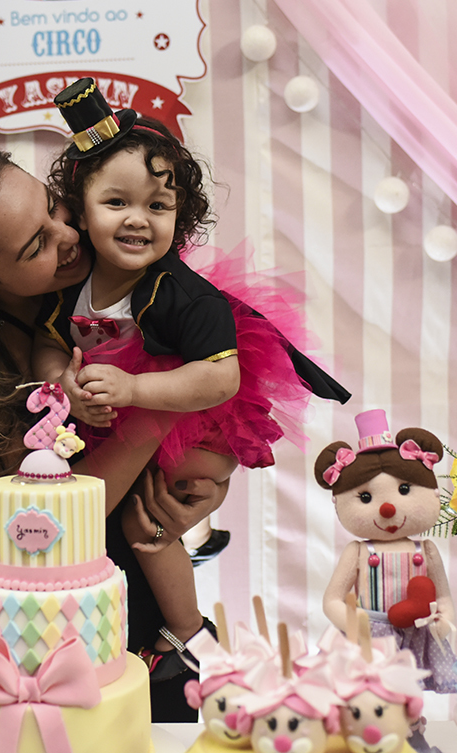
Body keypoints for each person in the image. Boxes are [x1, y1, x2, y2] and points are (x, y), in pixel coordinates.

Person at [0, 143, 226, 721]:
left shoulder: (111, 292)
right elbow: (62, 518)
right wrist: (160, 399)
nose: (70, 235)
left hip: (154, 598)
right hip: (79, 636)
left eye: (55, 207)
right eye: (37, 244)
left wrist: (202, 480)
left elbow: (212, 405)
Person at [32, 79, 351, 674]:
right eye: (117, 202)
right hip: (119, 418)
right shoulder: (72, 282)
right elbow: (45, 342)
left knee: (142, 521)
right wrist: (61, 383)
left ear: (181, 215)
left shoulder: (179, 295)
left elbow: (219, 380)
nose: (138, 220)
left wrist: (131, 390)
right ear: (80, 205)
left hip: (195, 424)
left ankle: (182, 637)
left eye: (158, 206)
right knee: (110, 512)